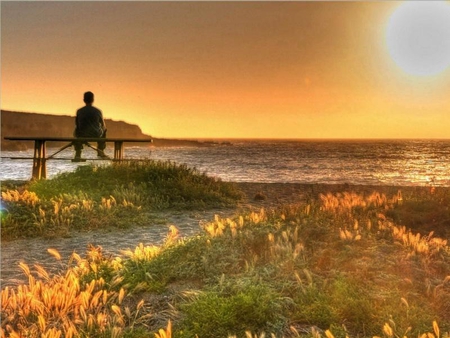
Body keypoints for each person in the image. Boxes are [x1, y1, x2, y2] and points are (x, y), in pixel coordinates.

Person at [73, 91, 108, 160]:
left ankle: (78, 153)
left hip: (82, 135)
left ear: (84, 100)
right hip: (96, 135)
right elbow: (103, 125)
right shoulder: (98, 111)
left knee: (76, 130)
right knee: (105, 130)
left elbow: (77, 124)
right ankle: (101, 151)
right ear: (93, 100)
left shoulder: (79, 111)